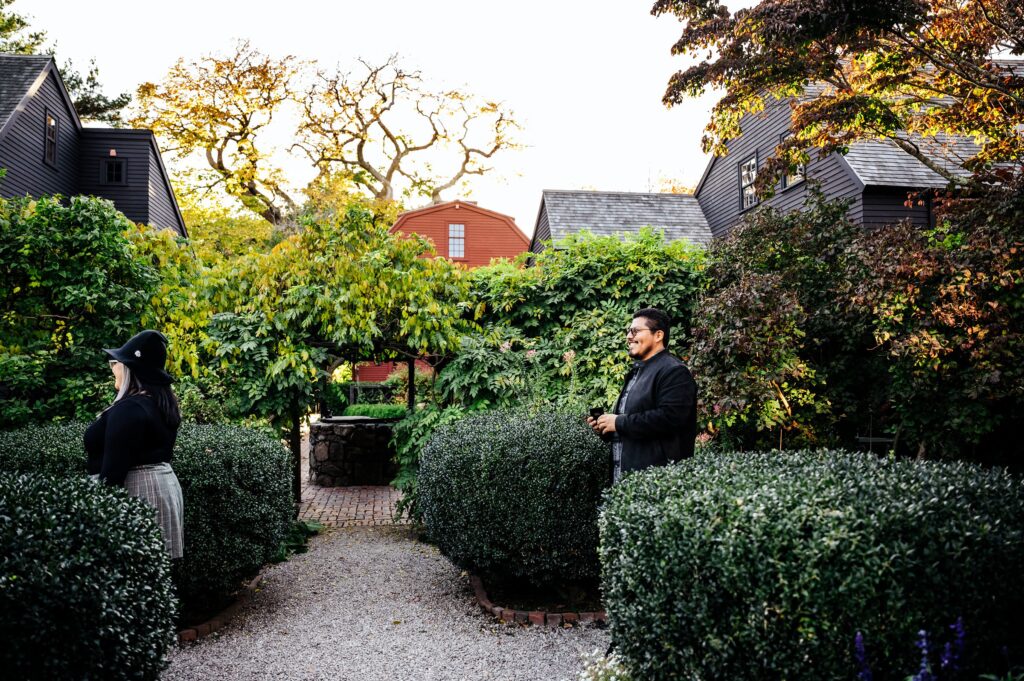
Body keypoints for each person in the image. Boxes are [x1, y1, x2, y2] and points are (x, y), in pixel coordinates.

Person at [85, 330, 184, 559]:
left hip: (137, 493)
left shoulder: (129, 409)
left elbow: (113, 472)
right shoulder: (159, 403)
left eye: (115, 363)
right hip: (160, 487)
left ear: (130, 368)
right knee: (153, 575)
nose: (112, 369)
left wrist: (96, 515)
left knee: (131, 574)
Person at [587, 307, 697, 483]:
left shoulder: (674, 372)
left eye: (635, 331)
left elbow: (670, 418)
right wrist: (607, 427)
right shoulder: (637, 372)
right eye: (628, 331)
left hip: (657, 485)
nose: (628, 336)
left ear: (658, 335)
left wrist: (619, 422)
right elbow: (632, 426)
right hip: (625, 484)